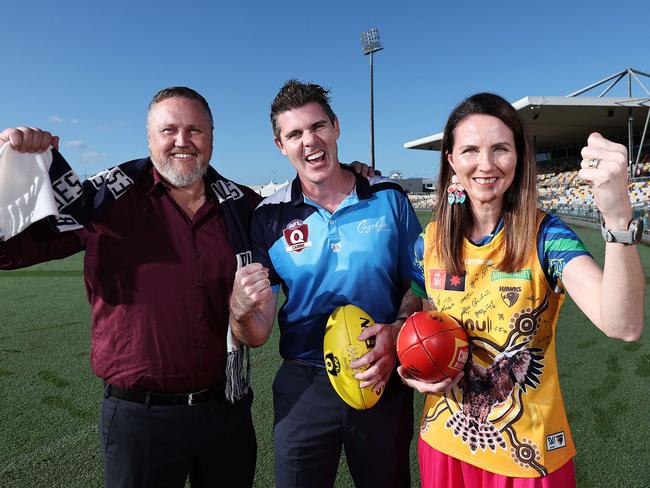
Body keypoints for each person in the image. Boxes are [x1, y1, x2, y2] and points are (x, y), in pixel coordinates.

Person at [0, 87, 261, 488]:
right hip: (140, 418)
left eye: (195, 130)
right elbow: (8, 249)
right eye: (168, 130)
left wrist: (354, 175)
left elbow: (303, 209)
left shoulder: (242, 206)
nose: (182, 141)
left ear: (211, 136)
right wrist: (6, 170)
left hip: (224, 410)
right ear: (149, 138)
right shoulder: (102, 201)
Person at [400, 92, 645, 487]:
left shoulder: (547, 236)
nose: (486, 164)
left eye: (501, 148)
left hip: (528, 458)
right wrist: (410, 354)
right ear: (450, 161)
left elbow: (623, 324)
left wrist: (617, 217)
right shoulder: (427, 243)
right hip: (443, 443)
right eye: (470, 150)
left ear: (519, 157)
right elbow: (418, 303)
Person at [228, 80, 422, 487]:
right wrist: (239, 315)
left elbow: (418, 284)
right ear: (281, 145)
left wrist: (398, 331)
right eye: (295, 134)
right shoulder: (269, 217)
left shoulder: (388, 197)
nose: (309, 141)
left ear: (335, 127)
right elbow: (258, 330)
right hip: (304, 382)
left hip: (380, 368)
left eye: (317, 127)